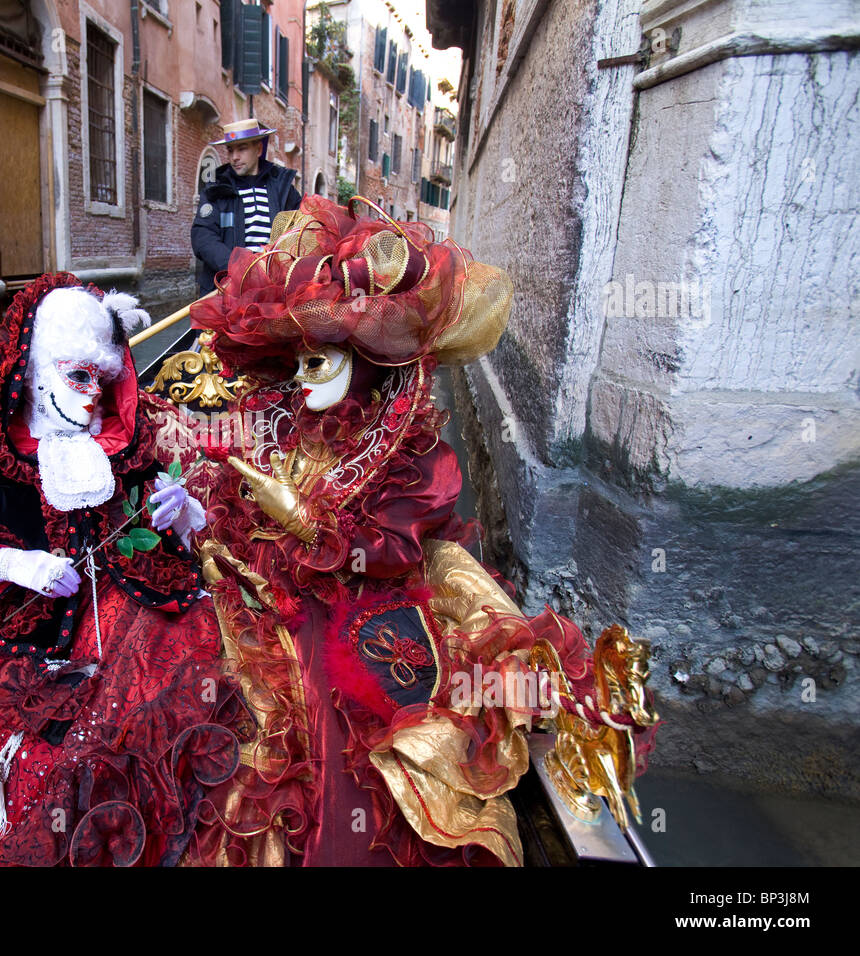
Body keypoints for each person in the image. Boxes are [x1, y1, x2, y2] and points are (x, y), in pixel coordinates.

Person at [180, 196, 657, 866]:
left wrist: (299, 517)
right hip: (273, 599)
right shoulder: (295, 429)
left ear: (370, 367)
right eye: (296, 361)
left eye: (318, 362)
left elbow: (386, 550)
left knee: (337, 739)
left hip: (357, 606)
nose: (298, 379)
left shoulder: (409, 459)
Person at [0, 274, 240, 867]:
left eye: (101, 379)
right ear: (35, 374)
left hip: (129, 609)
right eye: (78, 377)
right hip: (21, 626)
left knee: (162, 690)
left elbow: (178, 532)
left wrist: (179, 511)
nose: (93, 395)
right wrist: (17, 564)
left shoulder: (120, 448)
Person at [191, 118, 302, 296]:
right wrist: (239, 268)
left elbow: (303, 229)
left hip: (274, 292)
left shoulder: (283, 189)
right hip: (227, 290)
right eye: (230, 150)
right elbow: (203, 237)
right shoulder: (215, 191)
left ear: (258, 149)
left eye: (241, 149)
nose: (234, 157)